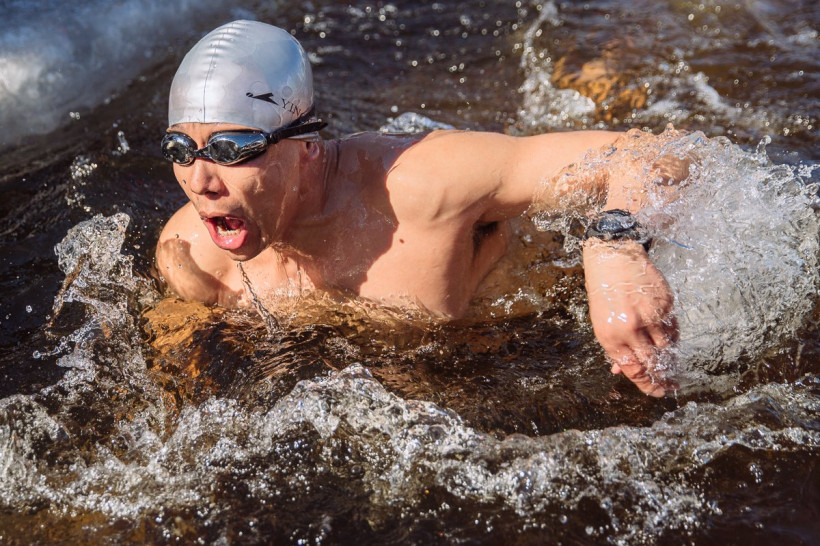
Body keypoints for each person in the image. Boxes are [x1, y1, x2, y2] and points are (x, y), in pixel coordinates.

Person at [156, 20, 684, 397]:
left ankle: (615, 45)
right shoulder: (197, 260)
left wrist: (616, 248)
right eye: (180, 149)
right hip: (441, 377)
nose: (200, 182)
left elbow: (658, 154)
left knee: (607, 92)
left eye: (232, 149)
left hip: (540, 312)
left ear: (307, 144)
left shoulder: (424, 187)